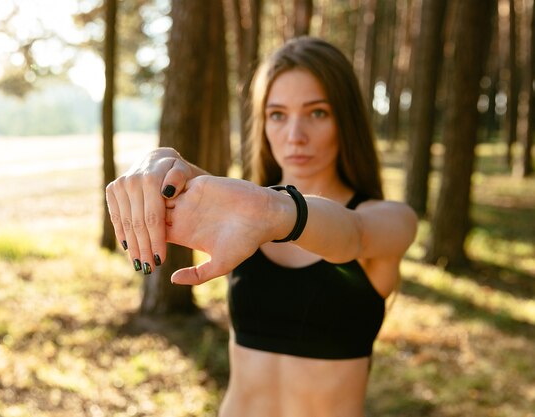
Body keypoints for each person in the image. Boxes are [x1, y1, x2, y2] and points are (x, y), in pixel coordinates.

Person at [106, 36, 418, 417]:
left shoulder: (383, 219)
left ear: (345, 120)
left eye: (317, 112)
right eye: (277, 114)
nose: (295, 135)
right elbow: (195, 183)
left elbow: (355, 234)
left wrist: (275, 209)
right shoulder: (239, 211)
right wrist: (160, 159)